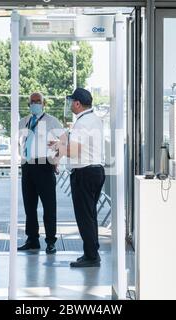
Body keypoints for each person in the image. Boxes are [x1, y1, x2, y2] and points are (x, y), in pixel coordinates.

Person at [50, 88, 105, 267]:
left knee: (84, 217)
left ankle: (91, 256)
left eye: (71, 102)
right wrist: (62, 144)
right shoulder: (94, 119)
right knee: (90, 215)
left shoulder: (82, 123)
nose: (69, 105)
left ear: (77, 103)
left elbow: (75, 150)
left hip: (84, 173)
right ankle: (91, 252)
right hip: (96, 171)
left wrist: (58, 147)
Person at [17, 92, 63, 254]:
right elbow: (19, 143)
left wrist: (56, 160)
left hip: (44, 165)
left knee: (49, 206)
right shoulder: (23, 122)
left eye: (38, 101)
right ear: (28, 104)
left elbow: (64, 141)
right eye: (32, 101)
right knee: (29, 206)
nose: (35, 104)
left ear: (44, 104)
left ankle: (51, 241)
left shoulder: (51, 121)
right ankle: (32, 240)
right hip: (27, 166)